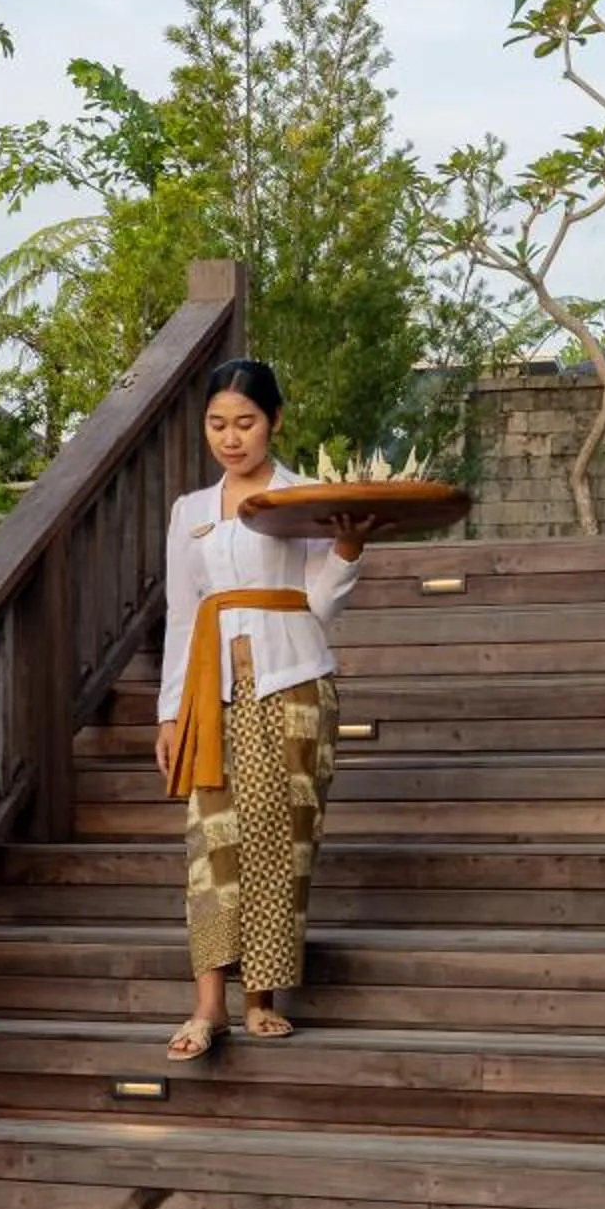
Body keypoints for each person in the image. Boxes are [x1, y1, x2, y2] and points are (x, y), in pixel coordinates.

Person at [154, 358, 380, 1059]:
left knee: (280, 840)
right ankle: (208, 1005)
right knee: (211, 844)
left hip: (294, 683)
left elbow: (320, 602)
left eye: (245, 423)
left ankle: (262, 999)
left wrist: (346, 546)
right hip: (210, 693)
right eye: (217, 424)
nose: (231, 437)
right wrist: (169, 713)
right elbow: (181, 614)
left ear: (275, 422)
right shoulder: (190, 511)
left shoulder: (305, 496)